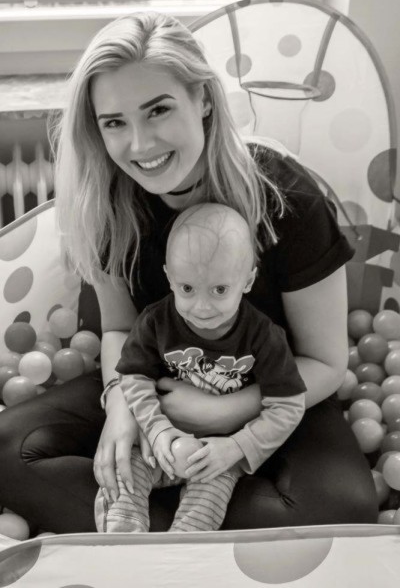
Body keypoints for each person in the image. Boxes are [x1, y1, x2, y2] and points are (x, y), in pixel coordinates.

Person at [0, 11, 378, 534]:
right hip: (153, 384)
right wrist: (123, 409)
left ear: (203, 99)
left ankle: (156, 522)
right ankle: (184, 522)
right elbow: (119, 329)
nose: (140, 145)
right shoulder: (105, 202)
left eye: (158, 110)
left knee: (344, 507)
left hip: (276, 392)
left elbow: (326, 361)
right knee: (9, 449)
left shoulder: (287, 198)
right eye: (115, 123)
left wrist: (228, 413)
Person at [95, 203, 306, 532]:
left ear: (248, 280)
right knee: (125, 471)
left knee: (208, 499)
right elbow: (134, 377)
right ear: (169, 278)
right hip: (161, 440)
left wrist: (236, 448)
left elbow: (289, 405)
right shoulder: (155, 322)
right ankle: (124, 538)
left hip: (220, 453)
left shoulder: (264, 337)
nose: (202, 307)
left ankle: (184, 548)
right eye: (187, 289)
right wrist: (156, 429)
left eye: (220, 290)